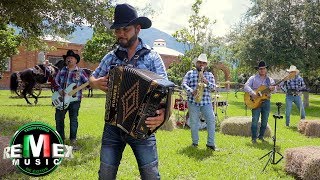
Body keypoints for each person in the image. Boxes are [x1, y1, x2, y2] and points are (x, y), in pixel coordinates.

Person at [89, 3, 168, 180]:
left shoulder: (152, 57)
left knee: (151, 176)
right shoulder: (111, 57)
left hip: (143, 126)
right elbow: (92, 78)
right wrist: (96, 83)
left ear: (138, 28)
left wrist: (164, 114)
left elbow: (165, 91)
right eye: (117, 30)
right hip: (112, 125)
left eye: (126, 29)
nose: (121, 34)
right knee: (106, 175)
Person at [54, 50, 89, 149]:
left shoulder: (80, 72)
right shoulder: (62, 71)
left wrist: (89, 84)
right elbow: (55, 82)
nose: (69, 59)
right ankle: (60, 139)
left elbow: (87, 83)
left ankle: (73, 139)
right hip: (61, 99)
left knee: (73, 119)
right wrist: (60, 90)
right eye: (67, 58)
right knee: (59, 119)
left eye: (71, 58)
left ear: (75, 60)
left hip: (75, 100)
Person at [181, 53, 217, 150]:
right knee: (194, 122)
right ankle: (195, 143)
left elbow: (214, 88)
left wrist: (206, 81)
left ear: (206, 65)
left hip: (206, 102)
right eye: (199, 62)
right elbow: (183, 84)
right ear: (196, 63)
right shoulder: (190, 73)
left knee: (211, 120)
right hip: (193, 101)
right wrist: (191, 91)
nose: (201, 64)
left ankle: (210, 143)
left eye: (203, 63)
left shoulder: (209, 75)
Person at [244, 61, 276, 144]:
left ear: (266, 69)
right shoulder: (253, 78)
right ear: (258, 70)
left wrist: (273, 89)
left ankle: (261, 137)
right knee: (255, 119)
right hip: (255, 101)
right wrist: (252, 93)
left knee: (265, 120)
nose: (262, 70)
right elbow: (246, 86)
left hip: (266, 102)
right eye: (260, 69)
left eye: (263, 68)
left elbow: (275, 90)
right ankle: (254, 138)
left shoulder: (270, 80)